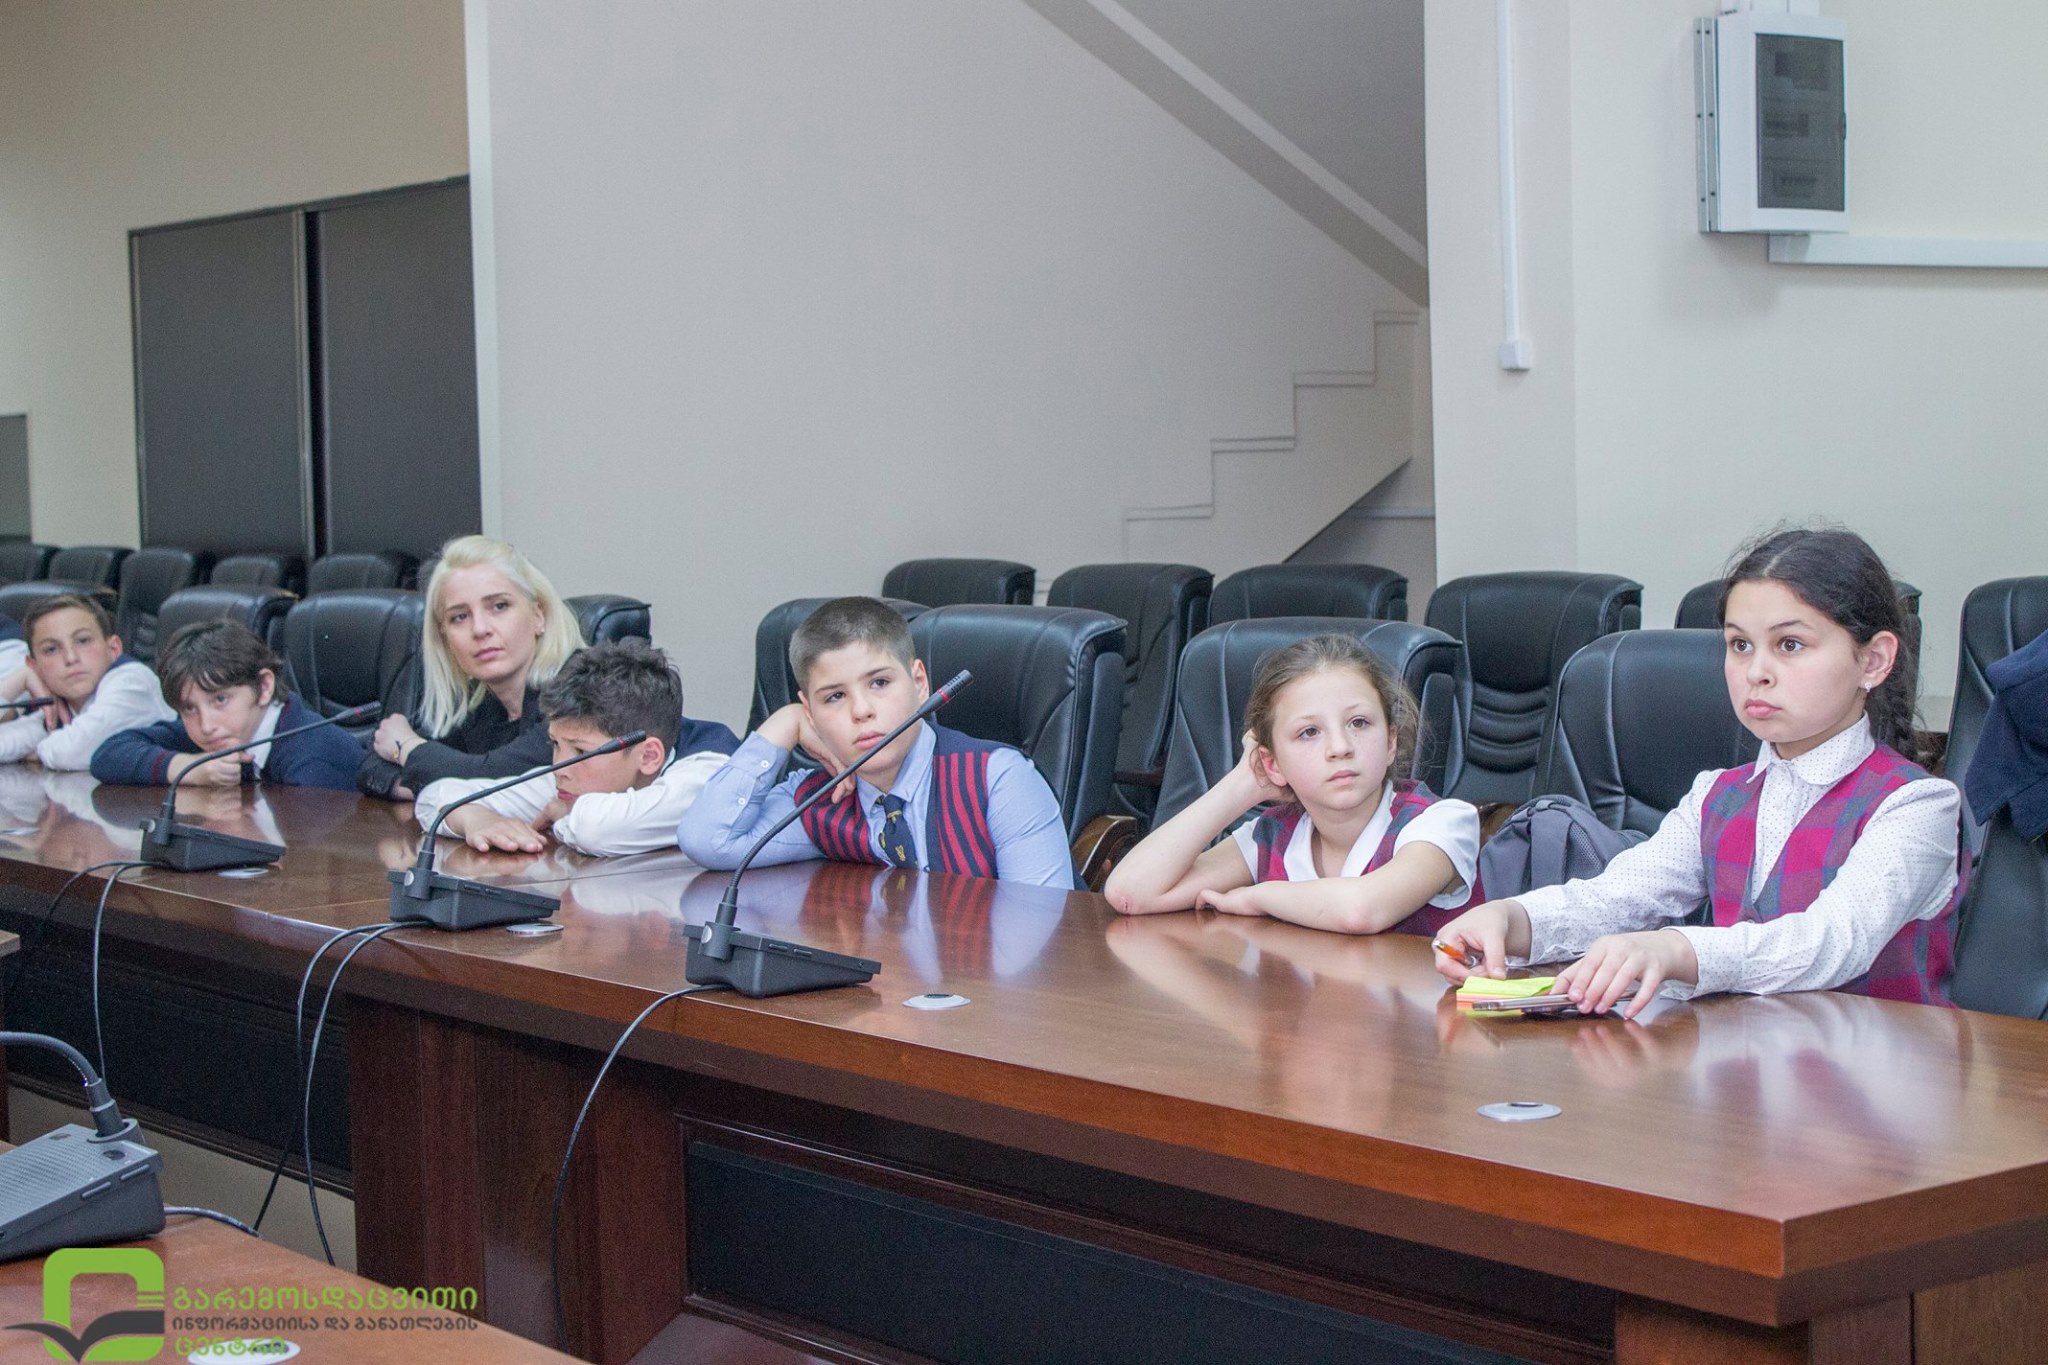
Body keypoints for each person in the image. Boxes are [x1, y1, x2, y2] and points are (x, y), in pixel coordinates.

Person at [1433, 526, 1963, 1015]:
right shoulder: (1717, 794)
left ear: (1874, 660)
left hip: (1883, 1074)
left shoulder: (1916, 805)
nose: (1757, 672)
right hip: (1745, 1068)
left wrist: (1677, 949)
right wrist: (1514, 920)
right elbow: (1621, 896)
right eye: (1740, 645)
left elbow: (1831, 942)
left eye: (1790, 645)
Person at [677, 596, 1073, 888]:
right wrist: (785, 722)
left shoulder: (998, 780)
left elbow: (1041, 935)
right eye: (835, 696)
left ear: (920, 683)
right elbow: (710, 840)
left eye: (880, 683)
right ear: (811, 712)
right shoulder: (822, 798)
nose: (862, 710)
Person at [1105, 633, 1479, 933]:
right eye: (1309, 732)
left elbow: (1361, 911)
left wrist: (1258, 896)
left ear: (1391, 742)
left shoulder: (1441, 823)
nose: (1340, 747)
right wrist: (1243, 783)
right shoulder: (1273, 835)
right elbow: (1130, 894)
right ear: (1273, 763)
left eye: (1359, 723)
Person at [411, 640, 738, 857]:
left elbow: (597, 831)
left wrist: (563, 818)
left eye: (581, 753)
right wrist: (474, 818)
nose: (560, 768)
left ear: (649, 756)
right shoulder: (575, 779)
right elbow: (436, 796)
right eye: (555, 744)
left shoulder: (710, 771)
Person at [357, 535, 584, 800]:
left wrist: (406, 747)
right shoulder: (481, 705)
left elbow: (498, 779)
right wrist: (436, 780)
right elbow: (371, 768)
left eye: (499, 606)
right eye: (460, 617)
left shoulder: (582, 688)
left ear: (538, 615)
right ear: (445, 638)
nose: (479, 629)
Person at [91, 619, 364, 791]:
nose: (206, 725)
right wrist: (190, 769)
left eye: (220, 700)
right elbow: (108, 755)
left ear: (264, 687)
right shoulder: (220, 733)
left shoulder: (312, 756)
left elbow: (312, 856)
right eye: (189, 708)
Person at [0, 593, 175, 770]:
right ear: (34, 665)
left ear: (113, 648)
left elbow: (69, 753)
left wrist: (38, 750)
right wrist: (18, 680)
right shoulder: (59, 708)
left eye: (83, 641)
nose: (71, 658)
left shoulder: (133, 681)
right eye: (51, 649)